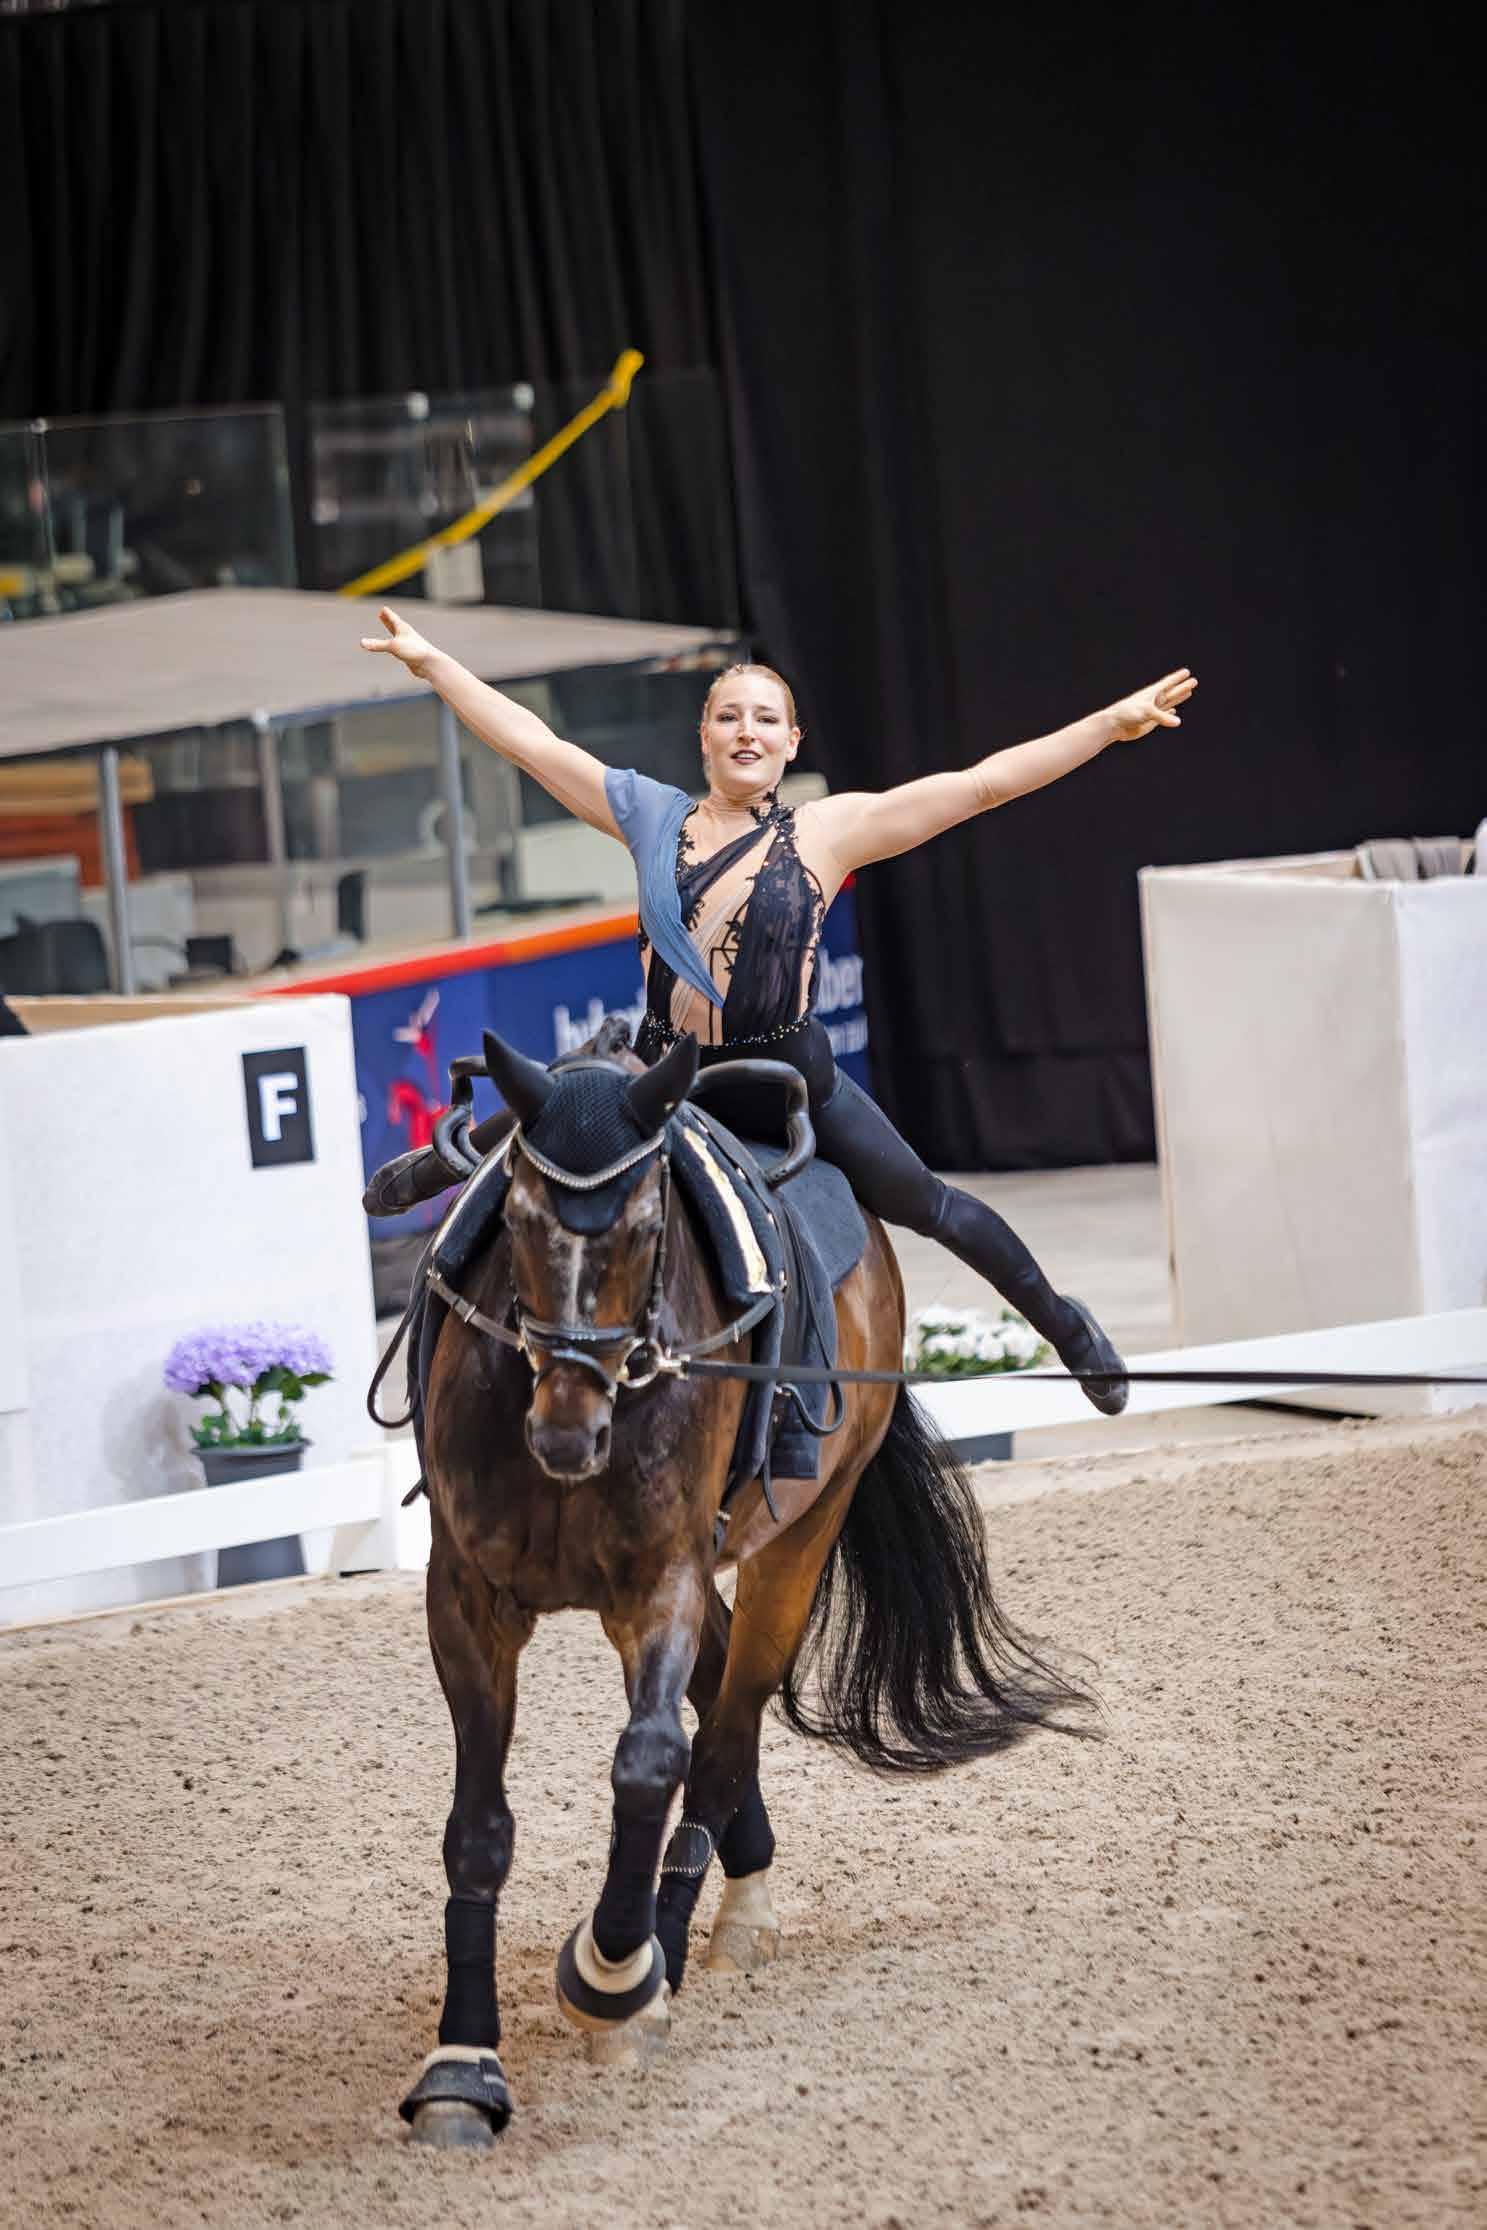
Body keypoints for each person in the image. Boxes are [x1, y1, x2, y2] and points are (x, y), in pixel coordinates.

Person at [361, 606, 1198, 1411]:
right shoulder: (650, 815)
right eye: (728, 717)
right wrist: (433, 665)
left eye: (765, 719)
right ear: (704, 736)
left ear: (791, 741)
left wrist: (1105, 725)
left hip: (782, 1077)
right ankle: (447, 1162)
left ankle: (1067, 1329)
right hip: (667, 1070)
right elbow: (530, 741)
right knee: (564, 1103)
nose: (746, 732)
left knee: (930, 1206)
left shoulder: (830, 830)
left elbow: (980, 785)